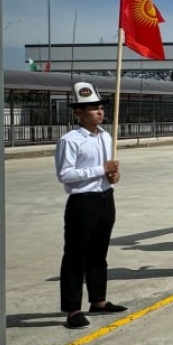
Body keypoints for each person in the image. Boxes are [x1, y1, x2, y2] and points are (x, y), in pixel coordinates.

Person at [53, 82, 125, 330]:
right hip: (82, 202)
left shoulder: (106, 136)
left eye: (100, 108)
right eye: (92, 109)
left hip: (105, 197)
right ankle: (73, 309)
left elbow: (108, 170)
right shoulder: (70, 140)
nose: (99, 112)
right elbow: (65, 174)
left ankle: (98, 300)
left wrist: (112, 176)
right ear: (78, 113)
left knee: (98, 253)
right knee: (75, 256)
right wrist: (101, 170)